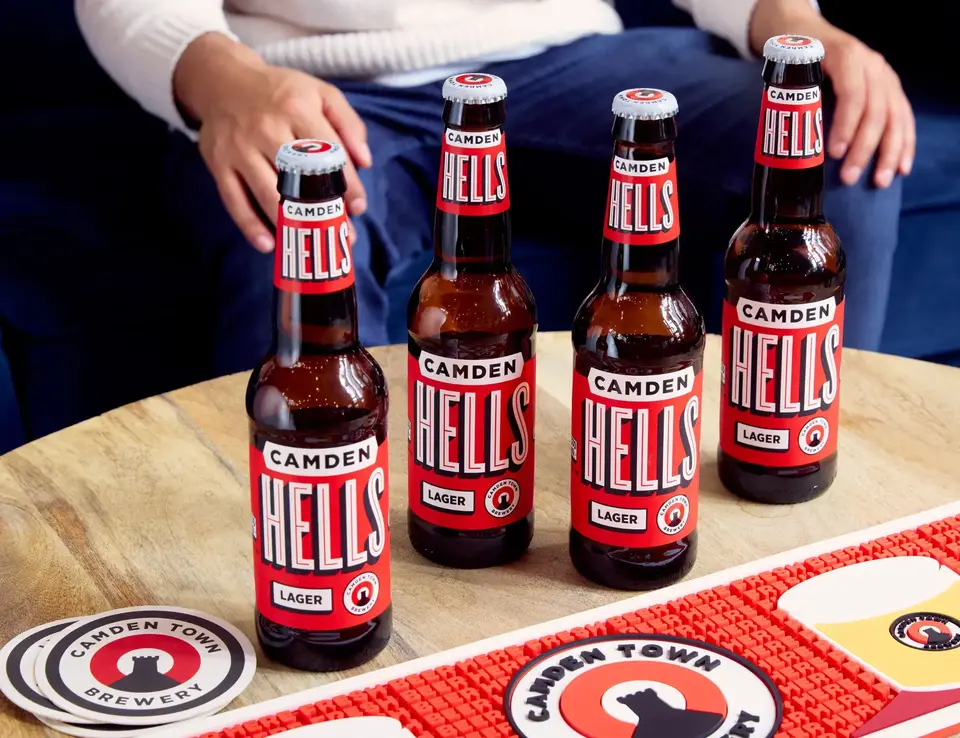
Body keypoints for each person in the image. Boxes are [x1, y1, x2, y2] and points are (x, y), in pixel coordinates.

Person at [73, 0, 933, 358]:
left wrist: (789, 17)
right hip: (316, 87)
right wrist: (218, 76)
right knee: (296, 227)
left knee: (818, 132)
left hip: (568, 54)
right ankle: (355, 583)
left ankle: (796, 483)